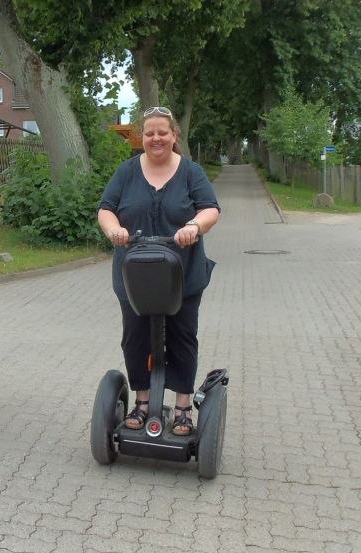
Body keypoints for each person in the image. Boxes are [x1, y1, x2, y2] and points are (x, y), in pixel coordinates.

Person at [97, 106, 221, 436]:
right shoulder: (126, 172)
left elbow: (211, 209)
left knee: (182, 336)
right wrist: (114, 231)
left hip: (183, 275)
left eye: (162, 132)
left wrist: (194, 226)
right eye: (149, 133)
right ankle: (141, 401)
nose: (156, 138)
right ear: (142, 136)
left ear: (174, 135)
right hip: (135, 277)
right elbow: (106, 209)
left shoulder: (191, 172)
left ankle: (182, 408)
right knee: (135, 338)